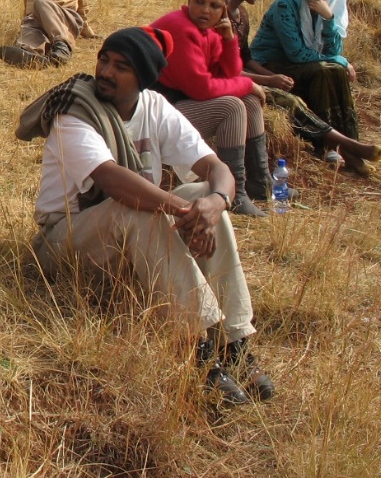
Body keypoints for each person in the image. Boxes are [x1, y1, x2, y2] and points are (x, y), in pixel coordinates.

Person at [17, 27, 273, 405]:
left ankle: (235, 344)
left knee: (203, 196)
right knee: (139, 208)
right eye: (104, 59)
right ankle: (197, 353)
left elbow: (216, 167)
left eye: (121, 66)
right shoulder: (75, 109)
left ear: (143, 79)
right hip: (63, 245)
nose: (105, 71)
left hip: (126, 242)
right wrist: (185, 211)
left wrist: (215, 202)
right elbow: (112, 181)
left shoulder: (155, 107)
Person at [219, 0, 381, 176]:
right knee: (325, 71)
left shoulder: (244, 15)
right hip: (276, 63)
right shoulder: (286, 3)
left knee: (333, 70)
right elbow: (296, 53)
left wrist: (329, 18)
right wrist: (270, 78)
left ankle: (348, 148)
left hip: (276, 67)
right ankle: (342, 147)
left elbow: (332, 51)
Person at [149, 0, 271, 216]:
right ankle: (232, 193)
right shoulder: (181, 28)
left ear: (224, 10)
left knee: (249, 101)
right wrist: (246, 84)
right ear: (188, 1)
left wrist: (228, 40)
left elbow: (230, 73)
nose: (205, 10)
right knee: (232, 106)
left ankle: (260, 180)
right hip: (150, 114)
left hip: (176, 104)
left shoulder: (211, 30)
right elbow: (201, 89)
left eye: (215, 6)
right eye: (199, 2)